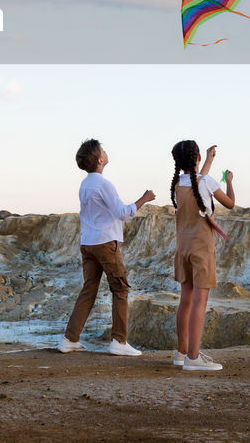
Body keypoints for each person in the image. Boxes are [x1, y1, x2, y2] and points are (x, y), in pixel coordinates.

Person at [59, 138, 155, 356]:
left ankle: (70, 339)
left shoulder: (85, 184)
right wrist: (144, 199)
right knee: (120, 289)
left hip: (88, 243)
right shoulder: (104, 184)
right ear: (100, 159)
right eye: (103, 150)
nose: (106, 151)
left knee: (89, 289)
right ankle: (119, 342)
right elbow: (123, 213)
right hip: (105, 243)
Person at [170, 140, 235, 371]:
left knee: (185, 299)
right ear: (195, 158)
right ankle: (194, 358)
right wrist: (228, 182)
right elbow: (230, 204)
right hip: (201, 248)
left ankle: (182, 353)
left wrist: (208, 159)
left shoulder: (178, 184)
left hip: (183, 247)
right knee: (200, 301)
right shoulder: (206, 182)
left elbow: (199, 186)